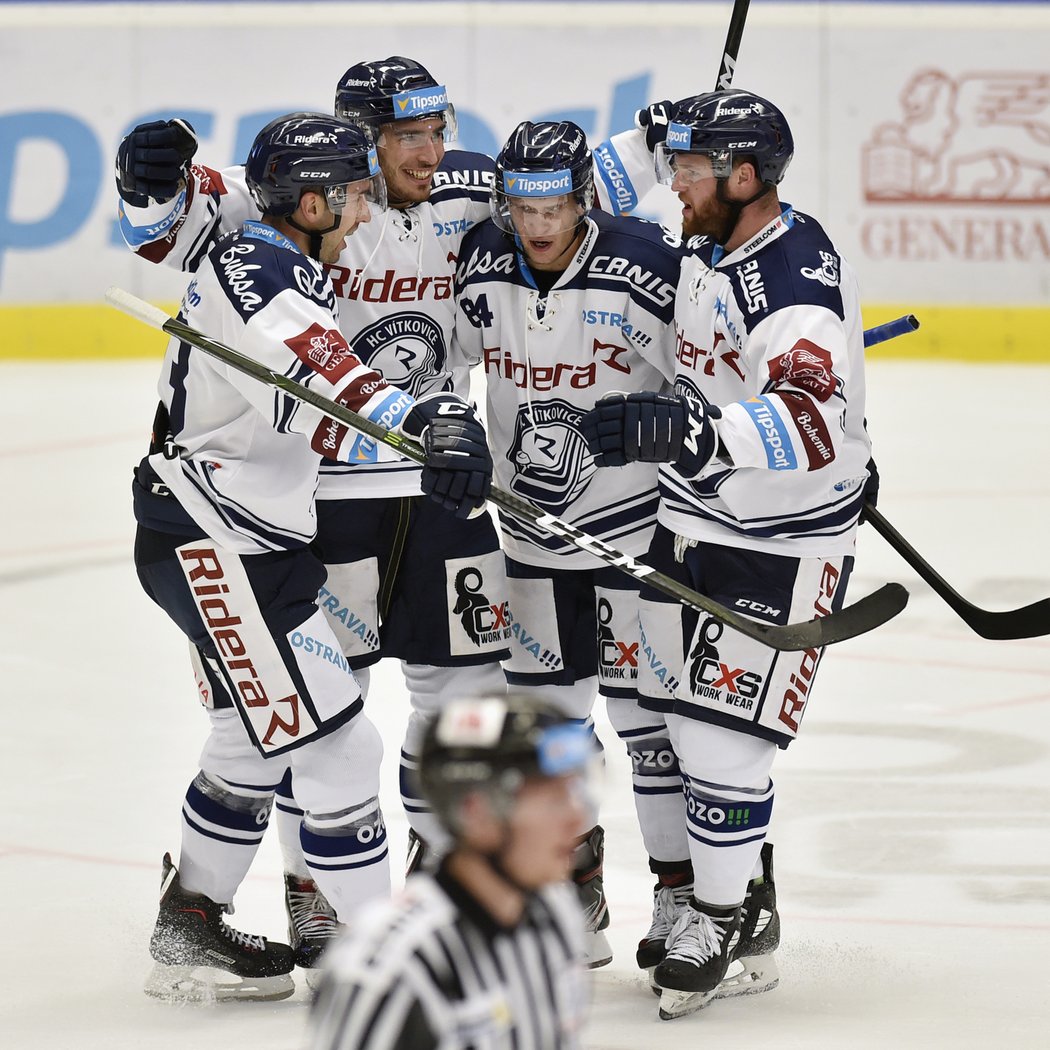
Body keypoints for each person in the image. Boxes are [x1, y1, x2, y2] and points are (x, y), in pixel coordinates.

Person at [115, 57, 513, 974]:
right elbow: (326, 392)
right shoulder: (263, 266)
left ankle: (193, 918)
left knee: (257, 742)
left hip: (252, 539)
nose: (370, 211)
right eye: (356, 193)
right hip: (214, 543)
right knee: (340, 746)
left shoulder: (287, 242)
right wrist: (426, 422)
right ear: (310, 198)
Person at [581, 88, 872, 1019]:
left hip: (780, 542)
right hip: (692, 523)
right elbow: (588, 191)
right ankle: (723, 891)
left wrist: (696, 433)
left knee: (722, 743)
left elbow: (812, 418)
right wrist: (652, 129)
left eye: (692, 169)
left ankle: (725, 907)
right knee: (656, 721)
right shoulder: (707, 234)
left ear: (744, 177)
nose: (675, 182)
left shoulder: (790, 280)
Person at [453, 119, 698, 968]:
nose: (541, 224)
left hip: (634, 536)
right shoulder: (481, 259)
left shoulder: (648, 269)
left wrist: (680, 423)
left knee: (647, 724)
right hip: (530, 539)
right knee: (555, 724)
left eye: (556, 205)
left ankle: (678, 893)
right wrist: (447, 425)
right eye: (524, 207)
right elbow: (445, 367)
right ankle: (577, 877)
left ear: (582, 199)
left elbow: (707, 382)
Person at [306, 692, 595, 1050]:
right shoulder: (388, 970)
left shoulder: (554, 912)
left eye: (573, 794)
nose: (575, 818)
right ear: (478, 812)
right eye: (552, 800)